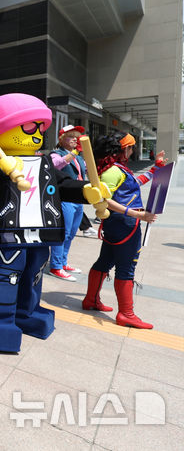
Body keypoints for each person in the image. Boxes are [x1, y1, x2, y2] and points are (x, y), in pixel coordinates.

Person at [0, 93, 110, 353]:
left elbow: (62, 184)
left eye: (40, 127)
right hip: (2, 237)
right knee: (2, 278)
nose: (37, 134)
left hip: (40, 234)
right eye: (29, 127)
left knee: (33, 276)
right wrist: (0, 170)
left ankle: (27, 312)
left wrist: (86, 191)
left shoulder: (44, 163)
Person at [82, 132, 168, 329]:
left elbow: (134, 184)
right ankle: (126, 314)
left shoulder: (115, 169)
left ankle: (91, 300)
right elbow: (104, 199)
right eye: (131, 147)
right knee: (126, 268)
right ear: (124, 149)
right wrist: (137, 214)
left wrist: (156, 167)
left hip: (117, 223)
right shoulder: (113, 171)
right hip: (125, 224)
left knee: (105, 261)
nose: (132, 151)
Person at [48, 125, 88, 281]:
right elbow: (56, 164)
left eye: (76, 136)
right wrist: (75, 153)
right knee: (63, 233)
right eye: (71, 136)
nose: (75, 139)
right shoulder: (56, 154)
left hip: (78, 198)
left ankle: (62, 263)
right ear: (61, 139)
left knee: (71, 233)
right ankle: (56, 266)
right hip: (65, 198)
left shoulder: (78, 157)